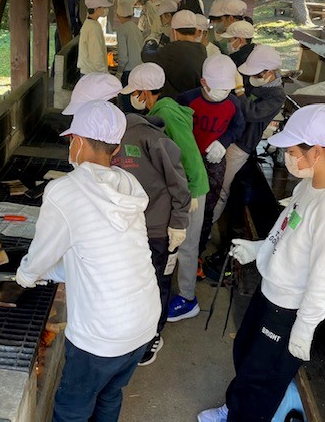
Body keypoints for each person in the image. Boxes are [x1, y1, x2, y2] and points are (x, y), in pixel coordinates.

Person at [198, 104, 325, 422]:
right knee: (245, 353)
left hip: (288, 311)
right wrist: (259, 250)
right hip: (270, 294)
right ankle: (234, 408)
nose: (287, 156)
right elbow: (287, 232)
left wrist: (304, 327)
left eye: (292, 150)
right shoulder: (308, 186)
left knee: (262, 380)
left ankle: (243, 416)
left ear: (317, 151)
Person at [16, 100, 160, 422]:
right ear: (117, 146)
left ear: (77, 141)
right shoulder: (128, 185)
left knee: (72, 407)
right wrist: (51, 273)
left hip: (101, 333)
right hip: (144, 321)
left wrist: (25, 276)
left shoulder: (65, 191)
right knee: (109, 394)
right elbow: (97, 253)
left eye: (71, 141)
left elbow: (40, 255)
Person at [113, 64, 192, 365]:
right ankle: (133, 329)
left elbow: (179, 183)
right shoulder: (109, 137)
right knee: (133, 280)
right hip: (129, 226)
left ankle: (152, 335)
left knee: (157, 280)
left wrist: (179, 222)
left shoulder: (151, 138)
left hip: (157, 228)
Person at [120, 62, 209, 323]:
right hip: (187, 185)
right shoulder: (162, 108)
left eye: (134, 93)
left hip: (193, 187)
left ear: (144, 92)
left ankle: (188, 299)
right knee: (181, 244)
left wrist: (190, 193)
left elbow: (188, 154)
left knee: (186, 245)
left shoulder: (166, 114)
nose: (132, 98)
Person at [170, 55, 245, 320]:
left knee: (206, 212)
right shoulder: (188, 99)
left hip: (214, 162)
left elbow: (239, 127)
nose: (222, 94)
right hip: (187, 162)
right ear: (203, 83)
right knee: (182, 214)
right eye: (217, 89)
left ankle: (196, 253)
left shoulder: (233, 103)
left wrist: (223, 142)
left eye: (227, 89)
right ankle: (181, 260)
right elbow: (173, 125)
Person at [210, 45, 286, 227]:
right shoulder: (256, 82)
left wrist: (240, 91)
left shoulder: (276, 95)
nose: (252, 78)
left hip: (241, 144)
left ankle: (207, 227)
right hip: (228, 136)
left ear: (270, 72)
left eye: (257, 74)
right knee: (212, 182)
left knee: (221, 187)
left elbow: (252, 113)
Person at [141, 10, 207, 99]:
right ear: (195, 30)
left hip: (176, 103)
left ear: (174, 31)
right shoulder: (202, 49)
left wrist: (150, 42)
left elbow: (146, 55)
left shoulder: (173, 49)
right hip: (194, 100)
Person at [77, 0, 112, 75]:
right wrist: (105, 73)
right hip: (92, 74)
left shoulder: (91, 23)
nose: (106, 9)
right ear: (96, 9)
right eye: (104, 7)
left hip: (89, 72)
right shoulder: (93, 27)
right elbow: (96, 55)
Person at [115, 2, 144, 92]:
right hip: (139, 69)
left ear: (118, 15)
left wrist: (119, 73)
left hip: (128, 71)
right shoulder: (136, 28)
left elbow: (123, 57)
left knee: (125, 100)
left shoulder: (122, 29)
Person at [221, 20, 256, 94]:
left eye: (229, 40)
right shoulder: (255, 53)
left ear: (240, 40)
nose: (228, 43)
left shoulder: (238, 58)